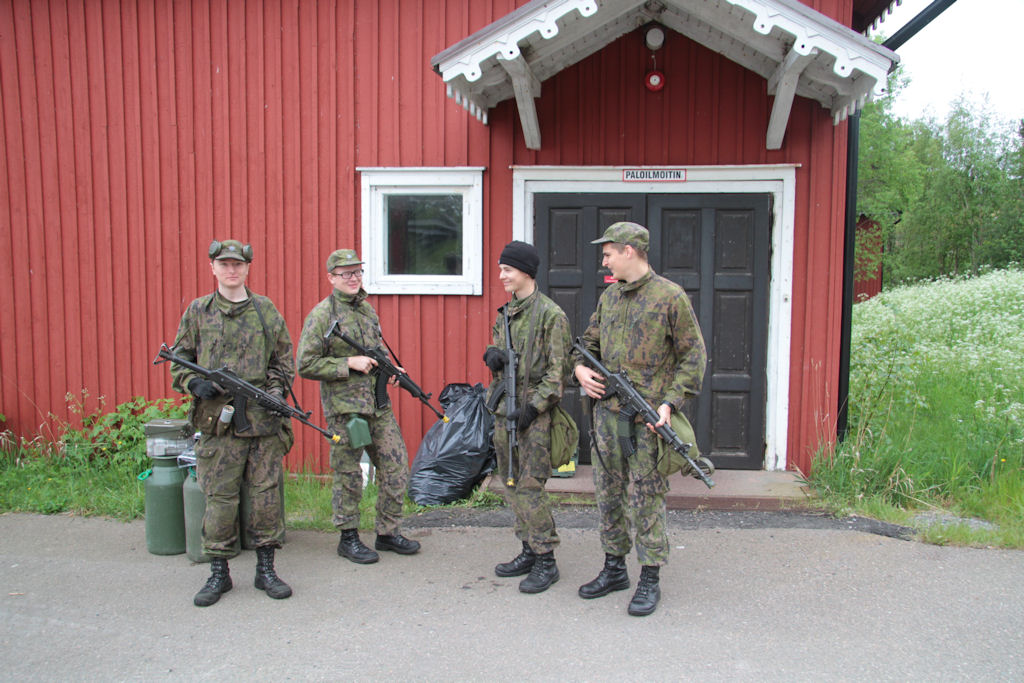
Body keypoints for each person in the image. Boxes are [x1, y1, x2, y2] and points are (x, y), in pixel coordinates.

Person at [572, 222, 707, 617]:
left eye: (609, 251)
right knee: (607, 494)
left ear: (630, 251)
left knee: (646, 497)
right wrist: (579, 370)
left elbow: (693, 357)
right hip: (606, 419)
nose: (604, 259)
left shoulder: (670, 297)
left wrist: (670, 403)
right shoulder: (610, 297)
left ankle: (650, 576)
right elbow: (587, 343)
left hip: (647, 423)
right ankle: (614, 568)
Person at [170, 239, 294, 607]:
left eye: (238, 264)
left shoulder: (264, 310)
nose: (231, 270)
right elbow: (180, 357)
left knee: (265, 496)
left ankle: (266, 569)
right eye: (224, 264)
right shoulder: (198, 311)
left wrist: (272, 393)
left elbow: (284, 361)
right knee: (219, 498)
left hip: (262, 422)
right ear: (212, 268)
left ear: (247, 268)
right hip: (218, 423)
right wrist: (195, 383)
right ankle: (219, 573)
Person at [297, 249, 421, 564]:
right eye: (345, 274)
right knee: (349, 473)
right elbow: (305, 364)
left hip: (377, 405)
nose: (353, 278)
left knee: (396, 466)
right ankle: (348, 537)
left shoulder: (367, 311)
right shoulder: (322, 315)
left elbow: (376, 349)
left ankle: (388, 532)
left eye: (357, 272)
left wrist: (390, 370)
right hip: (345, 410)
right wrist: (347, 362)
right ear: (331, 278)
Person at [483, 241, 572, 594]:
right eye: (501, 269)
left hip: (535, 415)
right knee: (509, 483)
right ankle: (528, 549)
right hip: (506, 410)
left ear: (525, 272)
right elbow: (498, 352)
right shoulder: (505, 314)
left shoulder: (551, 315)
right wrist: (492, 355)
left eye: (507, 269)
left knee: (531, 487)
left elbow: (557, 373)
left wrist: (533, 407)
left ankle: (546, 559)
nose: (502, 275)